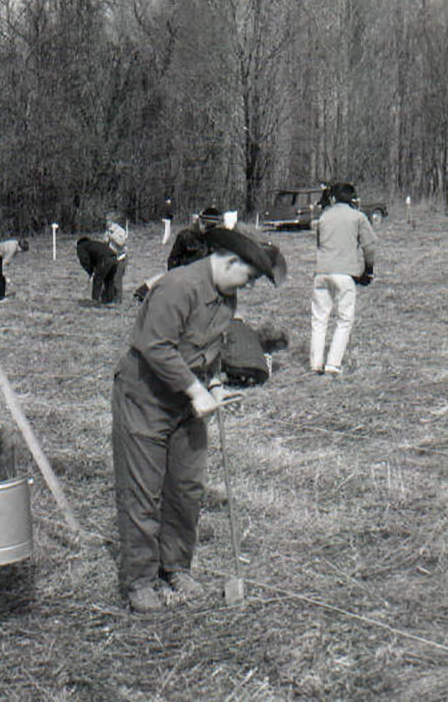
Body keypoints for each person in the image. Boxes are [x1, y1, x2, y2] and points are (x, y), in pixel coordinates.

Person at [112, 226, 283, 613]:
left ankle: (176, 566)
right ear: (229, 260)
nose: (250, 286)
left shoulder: (227, 297)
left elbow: (212, 346)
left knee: (186, 487)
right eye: (250, 276)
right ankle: (140, 581)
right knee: (144, 490)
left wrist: (217, 383)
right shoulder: (179, 286)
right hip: (146, 397)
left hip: (189, 401)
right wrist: (195, 390)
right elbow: (154, 346)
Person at [310, 182, 377, 376]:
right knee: (344, 319)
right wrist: (368, 270)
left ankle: (316, 363)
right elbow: (370, 246)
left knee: (319, 319)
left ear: (333, 198)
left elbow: (319, 244)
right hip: (345, 273)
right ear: (353, 198)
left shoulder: (324, 217)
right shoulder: (358, 217)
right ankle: (332, 365)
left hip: (321, 272)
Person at [167, 206, 222, 270]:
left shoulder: (219, 239)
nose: (208, 230)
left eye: (213, 227)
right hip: (189, 276)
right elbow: (173, 263)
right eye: (206, 225)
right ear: (200, 221)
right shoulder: (185, 236)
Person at [76, 237, 119, 304]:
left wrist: (91, 272)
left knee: (97, 280)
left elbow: (84, 261)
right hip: (115, 259)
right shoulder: (94, 244)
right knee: (109, 281)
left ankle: (95, 301)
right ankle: (110, 302)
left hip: (105, 260)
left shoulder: (81, 247)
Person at [105, 216, 128, 303]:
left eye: (109, 221)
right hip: (111, 258)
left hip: (121, 258)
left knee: (117, 280)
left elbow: (121, 243)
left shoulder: (120, 231)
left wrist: (112, 236)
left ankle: (118, 301)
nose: (107, 223)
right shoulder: (108, 231)